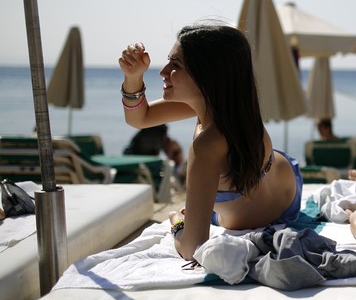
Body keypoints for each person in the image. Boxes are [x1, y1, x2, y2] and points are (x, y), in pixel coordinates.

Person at [118, 24, 303, 261]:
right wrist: (133, 77)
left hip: (251, 215)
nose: (163, 71)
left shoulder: (208, 144)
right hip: (289, 188)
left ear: (208, 75)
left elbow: (192, 248)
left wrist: (177, 220)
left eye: (175, 65)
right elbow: (139, 118)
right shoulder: (230, 104)